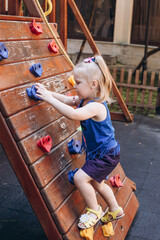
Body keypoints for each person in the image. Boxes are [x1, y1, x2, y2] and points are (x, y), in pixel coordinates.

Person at [35, 55, 125, 229]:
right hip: (102, 153)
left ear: (93, 84)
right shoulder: (84, 99)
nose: (74, 85)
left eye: (78, 83)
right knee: (98, 183)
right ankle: (115, 209)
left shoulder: (97, 106)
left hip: (106, 155)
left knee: (80, 178)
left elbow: (74, 114)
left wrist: (49, 99)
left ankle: (94, 210)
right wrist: (46, 93)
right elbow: (68, 100)